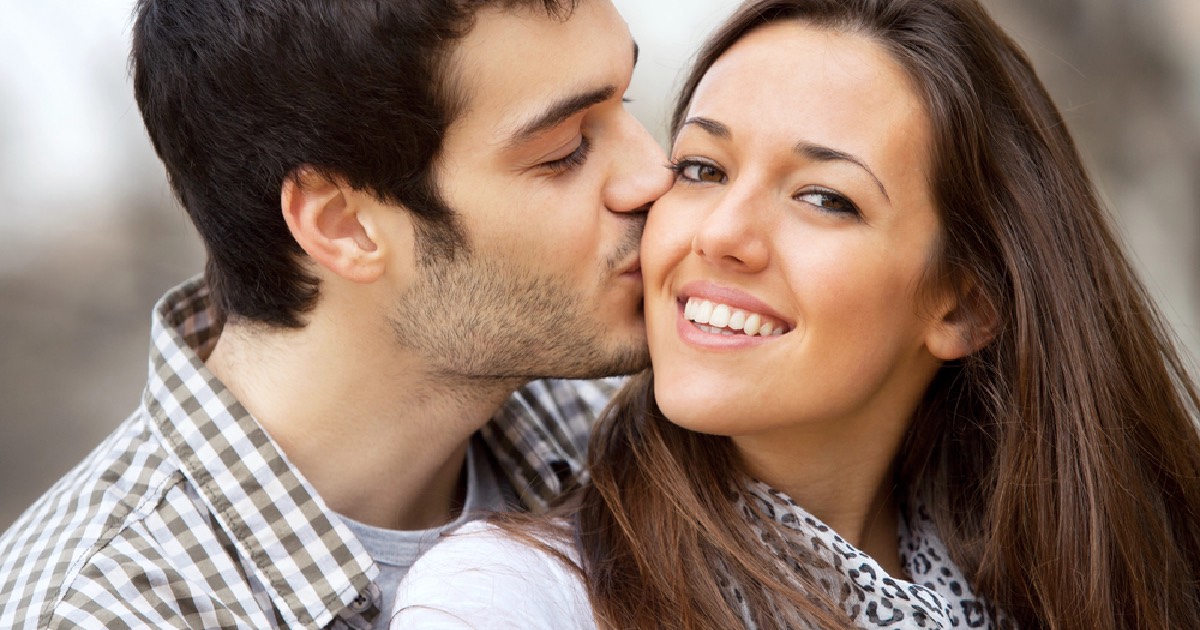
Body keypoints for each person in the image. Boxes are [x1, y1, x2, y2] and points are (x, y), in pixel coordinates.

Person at [392, 0, 1200, 628]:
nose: (723, 234)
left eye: (823, 198)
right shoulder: (515, 599)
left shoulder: (1085, 581)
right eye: (703, 167)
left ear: (964, 304)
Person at [0, 0, 672, 627]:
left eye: (626, 102)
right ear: (344, 225)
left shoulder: (638, 427)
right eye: (565, 151)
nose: (654, 173)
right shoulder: (109, 607)